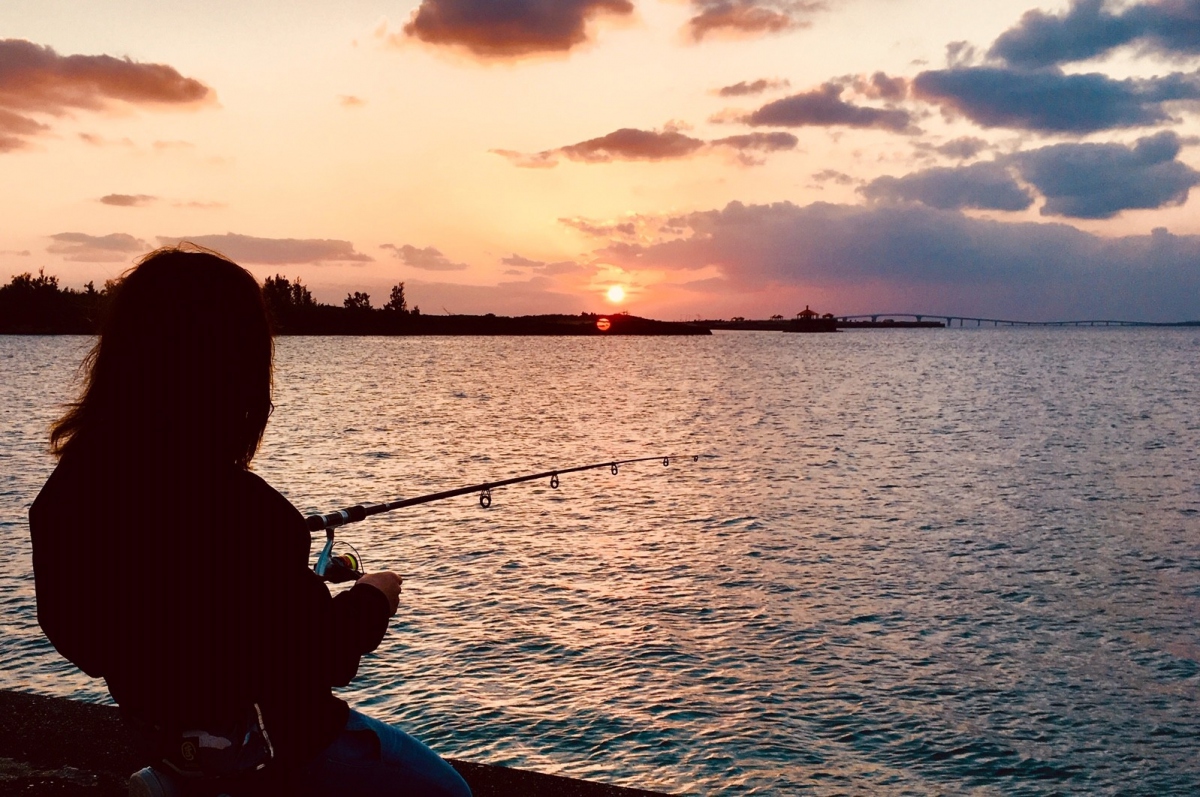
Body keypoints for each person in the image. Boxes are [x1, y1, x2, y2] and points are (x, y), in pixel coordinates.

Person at [29, 246, 471, 797]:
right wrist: (375, 595)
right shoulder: (244, 510)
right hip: (282, 751)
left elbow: (82, 638)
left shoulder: (66, 496)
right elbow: (326, 657)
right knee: (448, 791)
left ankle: (177, 776)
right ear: (233, 369)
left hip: (167, 740)